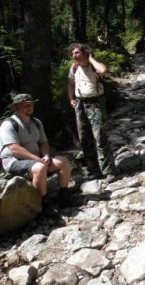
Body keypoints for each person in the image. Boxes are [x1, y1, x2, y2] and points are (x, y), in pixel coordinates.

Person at [0, 94, 72, 216]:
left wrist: (46, 156)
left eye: (31, 104)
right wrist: (37, 159)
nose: (30, 107)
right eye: (26, 105)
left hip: (37, 159)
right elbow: (14, 149)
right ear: (16, 107)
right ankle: (42, 205)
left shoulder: (37, 122)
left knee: (63, 161)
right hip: (13, 161)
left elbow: (43, 142)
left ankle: (63, 197)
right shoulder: (8, 124)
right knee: (40, 168)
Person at [67, 43, 116, 180]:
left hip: (95, 103)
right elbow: (70, 83)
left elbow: (102, 71)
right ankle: (93, 169)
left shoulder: (93, 65)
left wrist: (91, 58)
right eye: (73, 53)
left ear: (84, 53)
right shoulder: (74, 67)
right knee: (84, 137)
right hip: (80, 103)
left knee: (99, 135)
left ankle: (108, 170)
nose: (74, 55)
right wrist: (71, 98)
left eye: (77, 53)